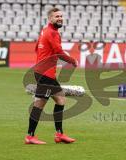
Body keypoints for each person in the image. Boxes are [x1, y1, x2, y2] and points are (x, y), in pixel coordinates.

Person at [25, 8, 78, 144]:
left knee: (61, 100)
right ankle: (30, 136)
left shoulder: (44, 30)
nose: (60, 18)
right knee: (39, 105)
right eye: (56, 16)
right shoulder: (53, 33)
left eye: (61, 16)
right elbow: (59, 52)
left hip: (45, 72)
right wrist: (72, 61)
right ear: (50, 19)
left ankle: (59, 134)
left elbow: (37, 48)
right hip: (45, 75)